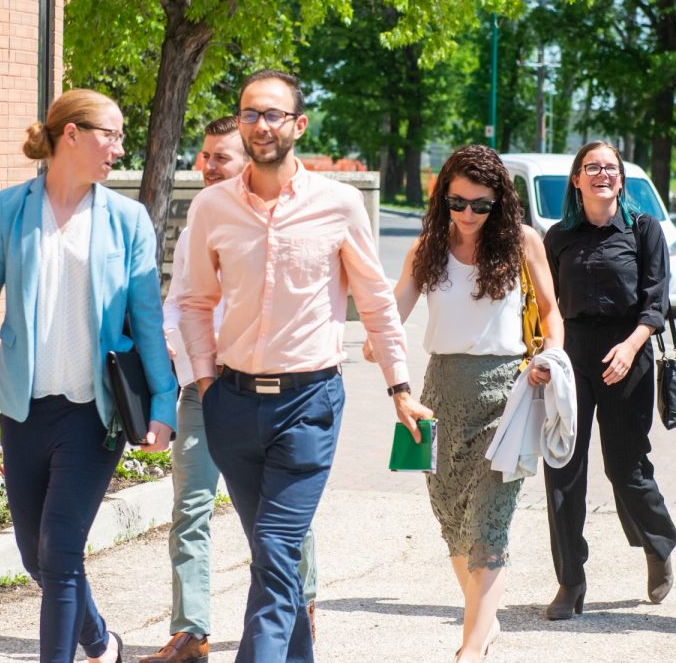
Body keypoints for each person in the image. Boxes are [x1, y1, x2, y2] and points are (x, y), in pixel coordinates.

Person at [176, 69, 431, 663]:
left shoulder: (337, 206)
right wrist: (208, 382)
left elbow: (373, 301)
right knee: (274, 556)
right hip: (231, 405)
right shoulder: (212, 208)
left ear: (298, 124)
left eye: (271, 115)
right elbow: (193, 301)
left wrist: (399, 386)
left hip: (308, 405)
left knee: (273, 545)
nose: (259, 125)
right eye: (249, 114)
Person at [0, 89, 177, 663]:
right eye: (110, 134)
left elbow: (146, 317)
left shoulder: (127, 220)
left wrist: (164, 401)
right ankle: (100, 641)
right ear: (72, 135)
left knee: (62, 553)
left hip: (94, 415)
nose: (119, 148)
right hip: (26, 410)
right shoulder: (10, 211)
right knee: (34, 557)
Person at [370, 144, 563, 662]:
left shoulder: (523, 242)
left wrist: (553, 354)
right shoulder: (428, 246)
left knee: (490, 521)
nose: (469, 214)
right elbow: (392, 314)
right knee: (451, 517)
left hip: (508, 391)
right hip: (440, 395)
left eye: (481, 204)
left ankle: (470, 648)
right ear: (443, 198)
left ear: (500, 201)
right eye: (458, 203)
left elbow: (551, 311)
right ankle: (486, 619)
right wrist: (378, 345)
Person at [144, 116, 317, 663]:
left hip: (264, 390)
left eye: (220, 157)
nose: (207, 166)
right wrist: (192, 370)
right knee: (191, 505)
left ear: (249, 164)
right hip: (202, 387)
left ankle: (301, 606)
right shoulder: (201, 219)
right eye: (204, 156)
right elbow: (179, 304)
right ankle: (191, 631)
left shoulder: (276, 223)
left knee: (281, 512)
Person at [541, 141, 676, 620]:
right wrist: (544, 355)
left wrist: (631, 345)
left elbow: (655, 302)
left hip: (628, 352)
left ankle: (658, 546)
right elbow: (545, 306)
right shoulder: (558, 237)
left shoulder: (644, 231)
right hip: (572, 356)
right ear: (577, 180)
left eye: (610, 168)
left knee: (626, 468)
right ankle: (570, 580)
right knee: (562, 468)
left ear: (621, 179)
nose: (602, 174)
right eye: (591, 167)